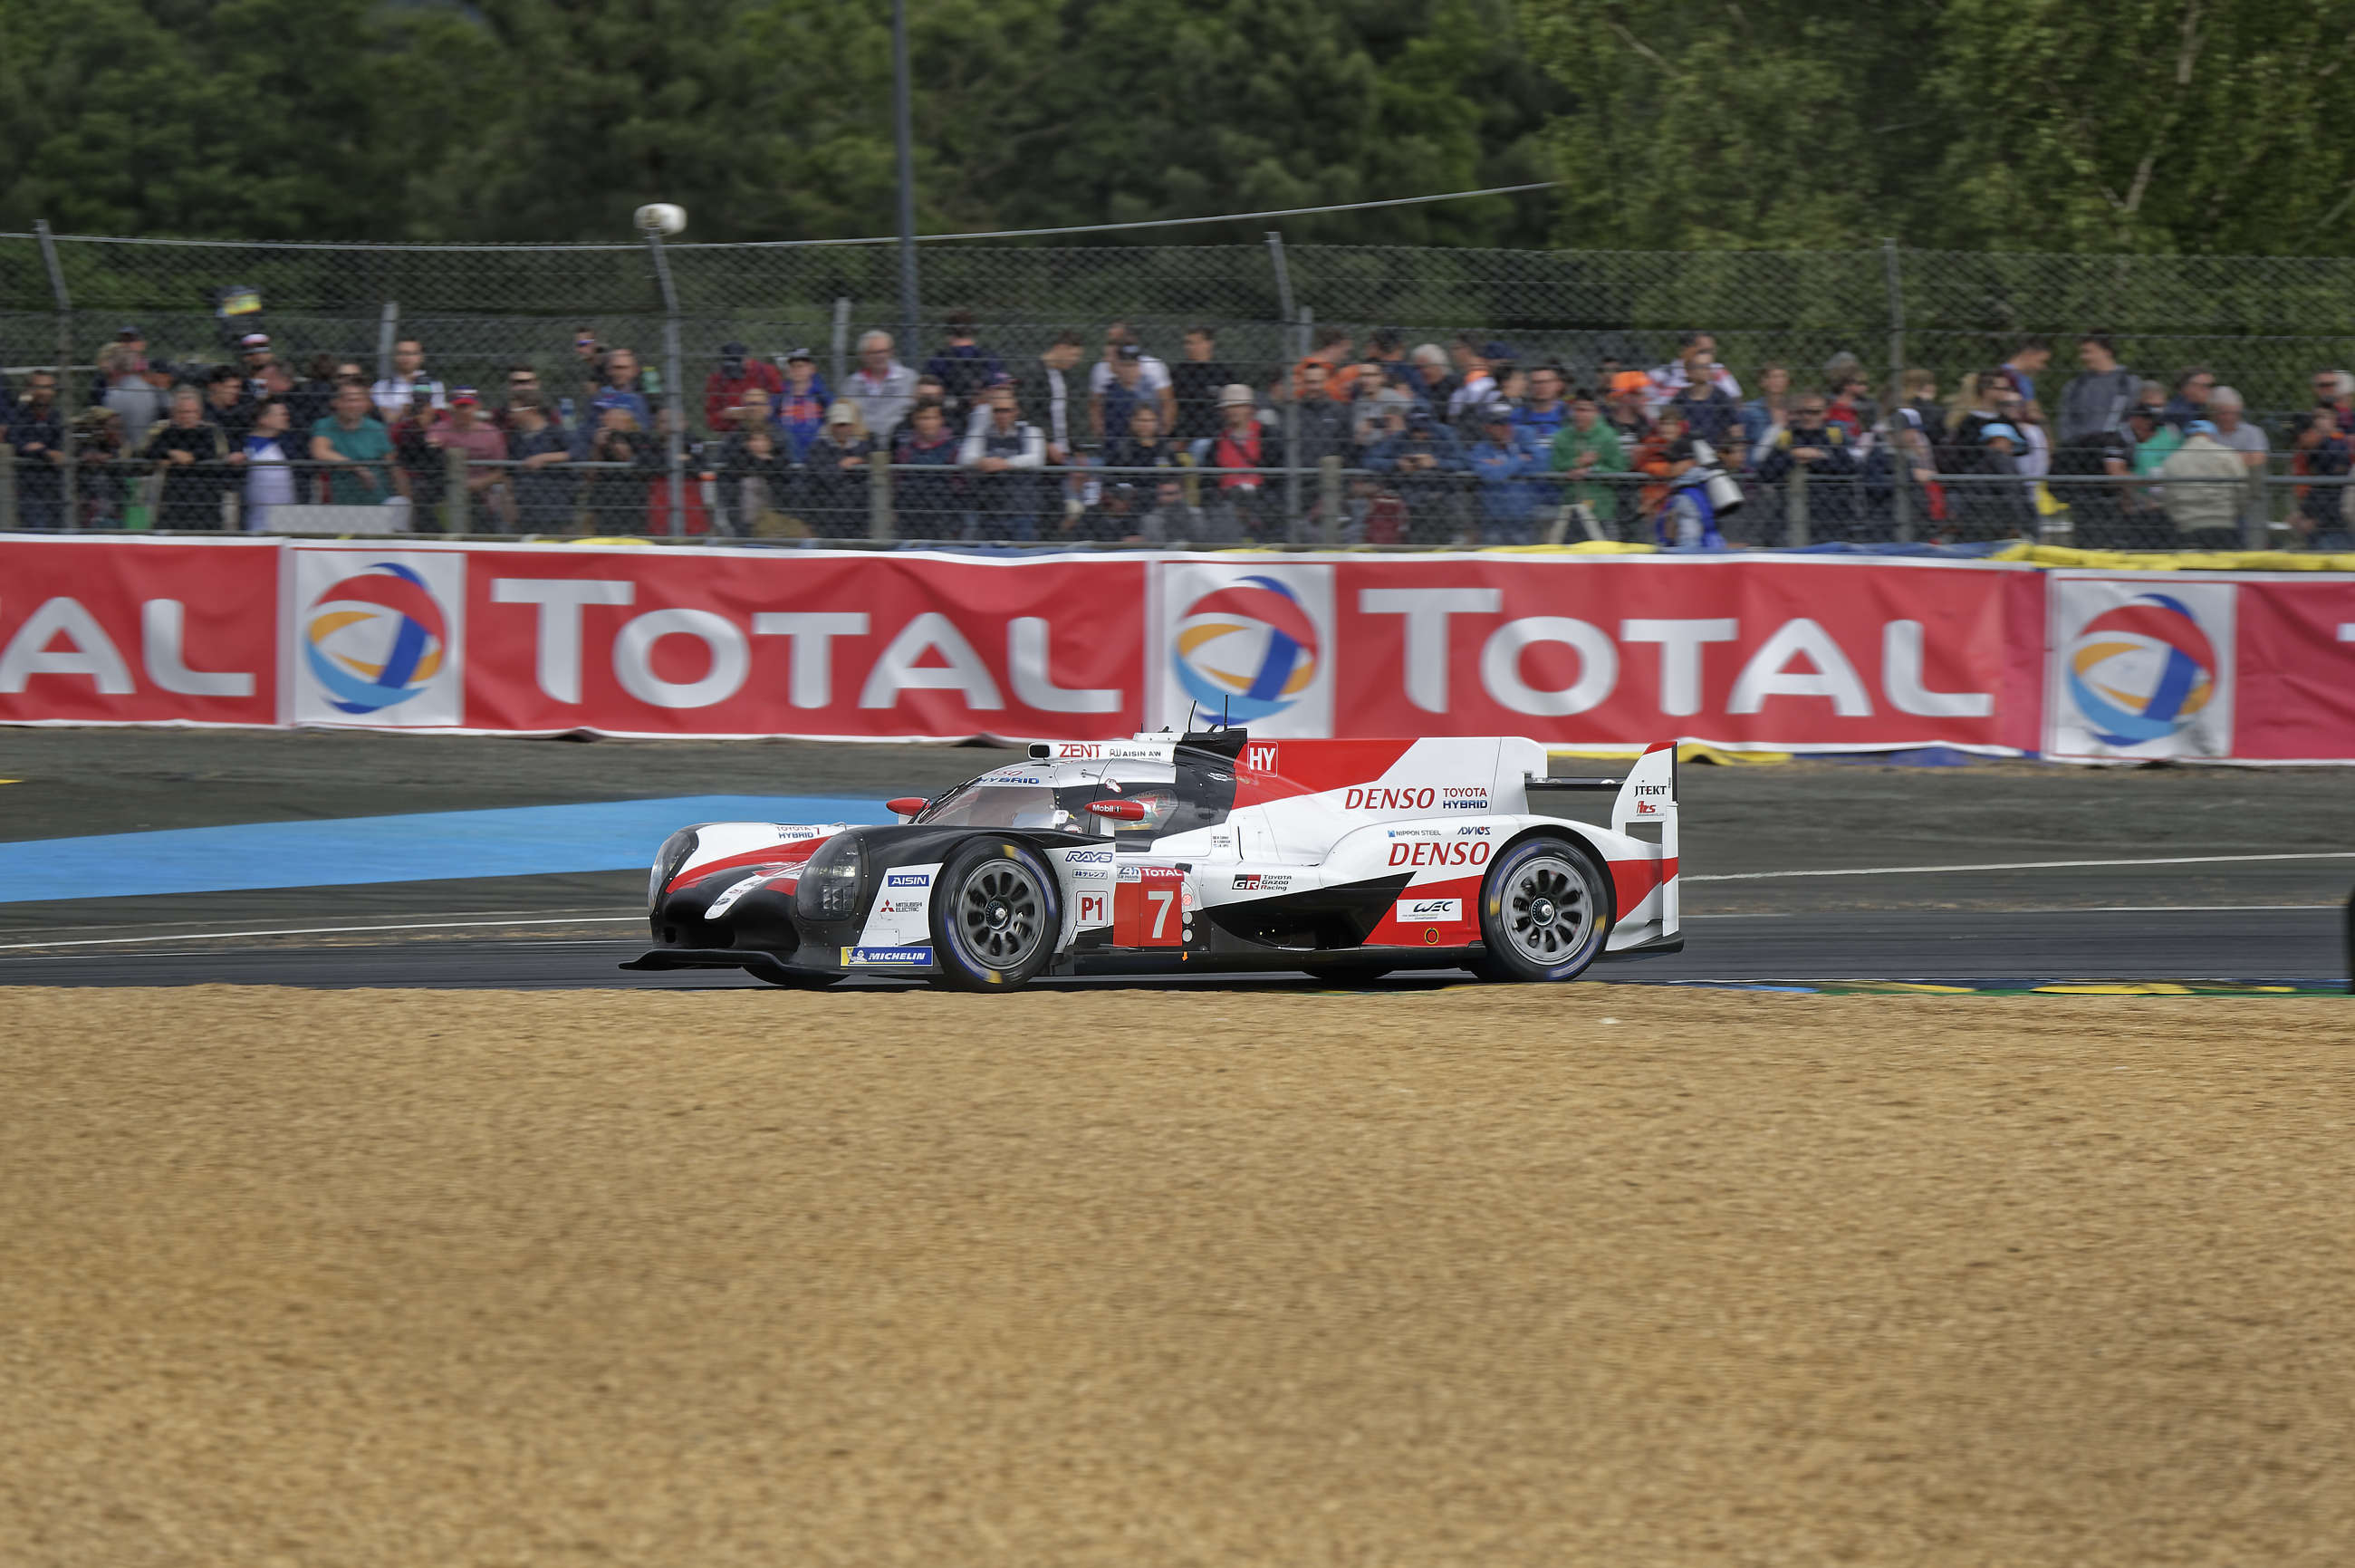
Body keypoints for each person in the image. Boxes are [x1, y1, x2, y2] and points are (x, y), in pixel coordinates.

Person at [1754, 395, 1857, 536]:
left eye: (1814, 412)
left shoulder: (1834, 436)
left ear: (1825, 413)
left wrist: (1819, 457)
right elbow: (1764, 473)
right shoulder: (1788, 436)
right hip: (1790, 514)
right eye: (1803, 412)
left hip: (1831, 514)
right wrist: (1793, 455)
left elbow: (1849, 469)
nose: (1807, 416)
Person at [1363, 405, 1467, 544]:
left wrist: (1436, 463)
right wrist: (1396, 464)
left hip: (1443, 498)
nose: (1419, 435)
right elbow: (1369, 460)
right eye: (1415, 430)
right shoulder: (1400, 438)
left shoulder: (1445, 434)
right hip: (1411, 501)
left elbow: (1463, 462)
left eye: (1423, 430)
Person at [958, 383, 1045, 541]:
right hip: (989, 512)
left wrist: (1005, 463)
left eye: (1007, 410)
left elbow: (1036, 458)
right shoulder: (982, 433)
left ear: (1016, 411)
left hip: (1022, 512)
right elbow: (965, 457)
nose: (1002, 415)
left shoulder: (1031, 432)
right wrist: (981, 461)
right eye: (997, 410)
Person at [142, 385, 231, 530]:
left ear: (199, 413)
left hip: (206, 503)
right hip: (174, 504)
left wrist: (191, 456)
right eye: (183, 412)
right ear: (175, 413)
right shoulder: (169, 432)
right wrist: (172, 453)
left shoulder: (208, 432)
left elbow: (209, 452)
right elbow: (152, 451)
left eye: (192, 412)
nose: (188, 416)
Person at [1549, 394, 1630, 539]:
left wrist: (1592, 470)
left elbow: (1619, 471)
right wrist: (1576, 463)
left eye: (1585, 410)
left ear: (1596, 412)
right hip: (1570, 510)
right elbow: (1555, 469)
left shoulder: (1608, 436)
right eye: (1577, 410)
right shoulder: (1562, 437)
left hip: (1601, 511)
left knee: (1604, 556)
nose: (1580, 414)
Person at [2158, 420, 2248, 549]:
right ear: (2211, 435)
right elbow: (2242, 490)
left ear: (2187, 437)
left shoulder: (2171, 460)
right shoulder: (2228, 454)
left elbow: (2168, 499)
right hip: (2224, 523)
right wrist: (2236, 512)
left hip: (2187, 527)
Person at [309, 379, 397, 507]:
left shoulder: (377, 428)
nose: (354, 405)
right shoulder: (325, 425)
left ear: (367, 404)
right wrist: (357, 468)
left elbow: (394, 467)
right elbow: (320, 451)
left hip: (377, 500)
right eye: (349, 400)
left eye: (359, 400)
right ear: (336, 403)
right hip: (340, 503)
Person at [429, 387, 508, 529]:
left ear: (477, 406)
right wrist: (433, 443)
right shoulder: (440, 428)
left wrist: (480, 482)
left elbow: (500, 472)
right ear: (452, 407)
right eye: (459, 406)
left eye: (467, 406)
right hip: (446, 488)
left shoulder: (491, 433)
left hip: (481, 492)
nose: (463, 411)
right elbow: (432, 445)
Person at [1466, 407, 1543, 544]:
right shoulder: (1480, 450)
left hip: (1522, 518)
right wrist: (1519, 460)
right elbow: (1493, 476)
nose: (1506, 428)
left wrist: (1502, 465)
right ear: (1487, 427)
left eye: (1508, 423)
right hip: (1493, 520)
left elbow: (1540, 465)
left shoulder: (1522, 440)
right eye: (1499, 424)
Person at [2204, 387, 2271, 546]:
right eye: (2223, 413)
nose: (2228, 417)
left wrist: (2220, 461)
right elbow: (2202, 461)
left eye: (2233, 412)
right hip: (2217, 500)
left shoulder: (2253, 432)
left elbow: (2257, 459)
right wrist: (2240, 457)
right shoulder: (2207, 434)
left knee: (2252, 544)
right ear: (2213, 413)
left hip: (2249, 497)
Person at [890, 399, 964, 537]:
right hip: (911, 517)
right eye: (923, 418)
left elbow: (959, 485)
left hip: (944, 517)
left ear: (941, 420)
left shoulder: (953, 448)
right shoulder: (905, 450)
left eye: (932, 418)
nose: (928, 423)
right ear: (915, 421)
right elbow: (897, 482)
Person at [1087, 321, 1174, 434]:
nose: (1110, 347)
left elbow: (1168, 404)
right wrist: (1102, 435)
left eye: (1115, 342)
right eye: (1109, 342)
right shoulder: (1100, 369)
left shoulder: (1153, 367)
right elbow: (1095, 407)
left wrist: (1160, 437)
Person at [7, 370, 69, 530]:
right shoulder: (18, 415)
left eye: (49, 387)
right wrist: (46, 452)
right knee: (38, 530)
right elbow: (17, 444)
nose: (45, 392)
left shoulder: (57, 417)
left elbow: (62, 447)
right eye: (40, 387)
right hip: (29, 487)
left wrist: (37, 448)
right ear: (29, 389)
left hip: (55, 487)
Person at [2056, 333, 2139, 451]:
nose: (2083, 357)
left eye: (2088, 351)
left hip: (2117, 452)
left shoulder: (2131, 384)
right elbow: (2065, 422)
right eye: (2082, 352)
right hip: (2081, 452)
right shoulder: (2074, 386)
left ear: (2107, 351)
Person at [504, 395, 574, 532]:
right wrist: (509, 499)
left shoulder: (556, 433)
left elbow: (576, 453)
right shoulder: (516, 438)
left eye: (514, 409)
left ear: (531, 410)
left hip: (554, 509)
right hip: (525, 509)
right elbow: (509, 473)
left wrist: (545, 457)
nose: (510, 413)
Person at [586, 404, 658, 534]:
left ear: (626, 418)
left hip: (632, 501)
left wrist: (618, 445)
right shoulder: (599, 438)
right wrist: (598, 447)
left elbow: (642, 468)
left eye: (609, 414)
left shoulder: (641, 438)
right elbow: (590, 475)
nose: (603, 418)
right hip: (604, 501)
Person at [921, 311, 1004, 420]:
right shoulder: (989, 357)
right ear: (974, 333)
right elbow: (1001, 387)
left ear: (949, 335)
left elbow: (927, 393)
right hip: (984, 420)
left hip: (947, 420)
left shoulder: (939, 360)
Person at [1015, 332, 1085, 459]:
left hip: (1062, 451)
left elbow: (1067, 415)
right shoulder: (1033, 372)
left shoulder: (1065, 376)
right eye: (1074, 355)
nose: (1076, 360)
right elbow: (1028, 412)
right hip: (1039, 450)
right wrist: (1047, 442)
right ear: (1060, 348)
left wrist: (1077, 449)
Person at [841, 331, 917, 437]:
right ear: (863, 355)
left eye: (884, 351)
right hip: (862, 444)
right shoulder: (851, 385)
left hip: (900, 444)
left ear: (891, 352)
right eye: (874, 352)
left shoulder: (909, 378)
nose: (880, 356)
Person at [701, 341, 783, 434]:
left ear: (746, 359)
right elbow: (711, 421)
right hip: (733, 434)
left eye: (737, 362)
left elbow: (781, 400)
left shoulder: (765, 372)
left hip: (765, 431)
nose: (734, 368)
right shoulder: (717, 380)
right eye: (730, 364)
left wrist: (758, 411)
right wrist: (726, 415)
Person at [241, 398, 297, 531]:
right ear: (264, 419)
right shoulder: (248, 446)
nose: (286, 417)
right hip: (258, 524)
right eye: (281, 414)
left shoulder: (282, 445)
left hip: (286, 522)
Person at [1169, 326, 1231, 443]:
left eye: (1194, 343)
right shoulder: (1178, 373)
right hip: (1184, 436)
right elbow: (1172, 406)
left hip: (1216, 435)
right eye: (1186, 343)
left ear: (1209, 344)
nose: (1188, 347)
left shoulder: (1223, 372)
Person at [370, 337, 443, 423]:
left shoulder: (435, 385)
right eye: (401, 353)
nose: (406, 357)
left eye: (412, 353)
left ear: (421, 357)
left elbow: (435, 417)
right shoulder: (381, 386)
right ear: (394, 357)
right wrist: (406, 411)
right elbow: (386, 418)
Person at [774, 348, 830, 457]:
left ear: (812, 369)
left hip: (817, 453)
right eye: (792, 367)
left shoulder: (822, 396)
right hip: (785, 453)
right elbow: (773, 420)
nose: (796, 370)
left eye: (801, 366)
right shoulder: (780, 396)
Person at [2002, 338, 2052, 404]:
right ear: (2028, 354)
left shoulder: (2026, 379)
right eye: (2041, 361)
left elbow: (2032, 410)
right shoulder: (2001, 377)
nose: (2043, 367)